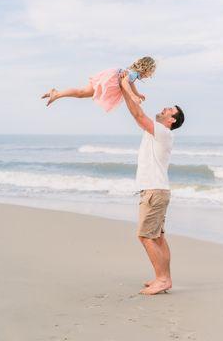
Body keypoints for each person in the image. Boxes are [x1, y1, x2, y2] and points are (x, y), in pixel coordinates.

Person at [121, 87, 185, 295]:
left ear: (172, 120)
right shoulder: (156, 131)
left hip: (154, 191)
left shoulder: (163, 132)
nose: (165, 108)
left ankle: (163, 279)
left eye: (170, 110)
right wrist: (128, 92)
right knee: (157, 237)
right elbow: (138, 113)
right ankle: (164, 278)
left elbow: (138, 114)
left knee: (145, 236)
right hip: (157, 190)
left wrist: (123, 87)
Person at [41, 56, 156, 112]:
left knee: (82, 93)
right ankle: (56, 94)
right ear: (146, 69)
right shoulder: (133, 74)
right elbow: (126, 82)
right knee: (82, 93)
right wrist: (133, 96)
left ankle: (57, 93)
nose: (149, 75)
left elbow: (130, 83)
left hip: (110, 75)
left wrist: (137, 93)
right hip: (111, 79)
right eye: (150, 73)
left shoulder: (133, 73)